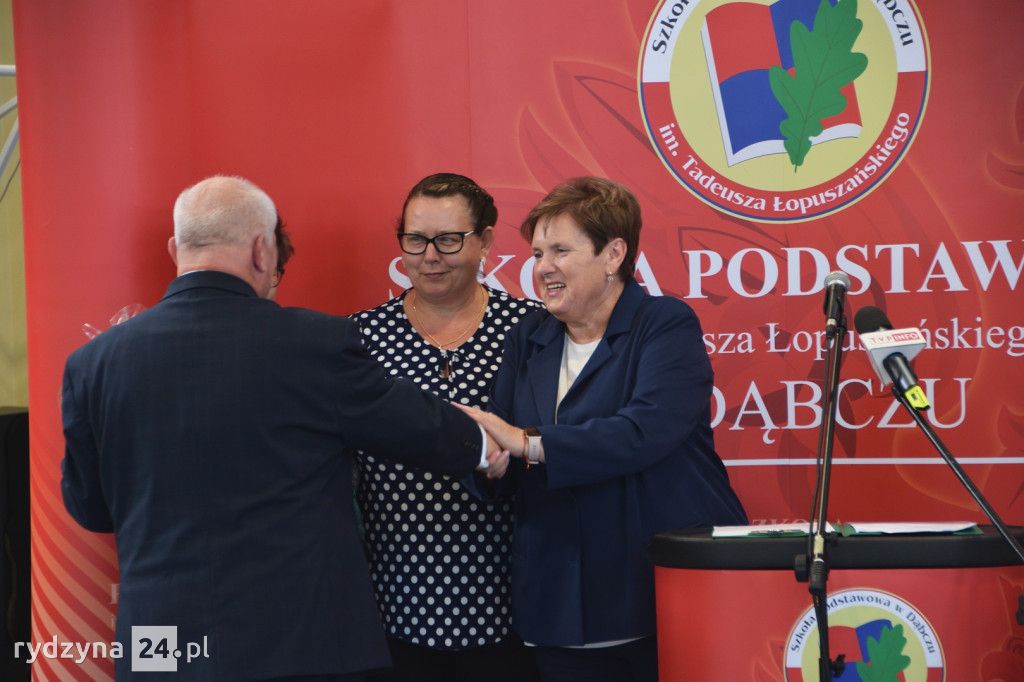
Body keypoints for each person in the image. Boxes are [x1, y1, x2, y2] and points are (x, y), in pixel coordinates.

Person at [60, 175, 507, 681]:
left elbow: (90, 508)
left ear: (175, 249)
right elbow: (410, 424)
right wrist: (481, 444)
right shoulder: (312, 343)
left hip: (160, 644)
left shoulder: (91, 365)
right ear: (261, 249)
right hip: (293, 642)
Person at [458, 176, 748, 682]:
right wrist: (489, 460)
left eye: (560, 251)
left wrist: (528, 444)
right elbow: (505, 454)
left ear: (613, 254)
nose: (543, 267)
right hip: (557, 608)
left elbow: (643, 432)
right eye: (538, 253)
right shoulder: (528, 337)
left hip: (657, 600)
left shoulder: (664, 324)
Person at [353, 173, 541, 682]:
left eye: (449, 240)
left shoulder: (533, 328)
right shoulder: (360, 336)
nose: (429, 256)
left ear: (485, 240)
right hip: (395, 596)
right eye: (415, 239)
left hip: (514, 597)